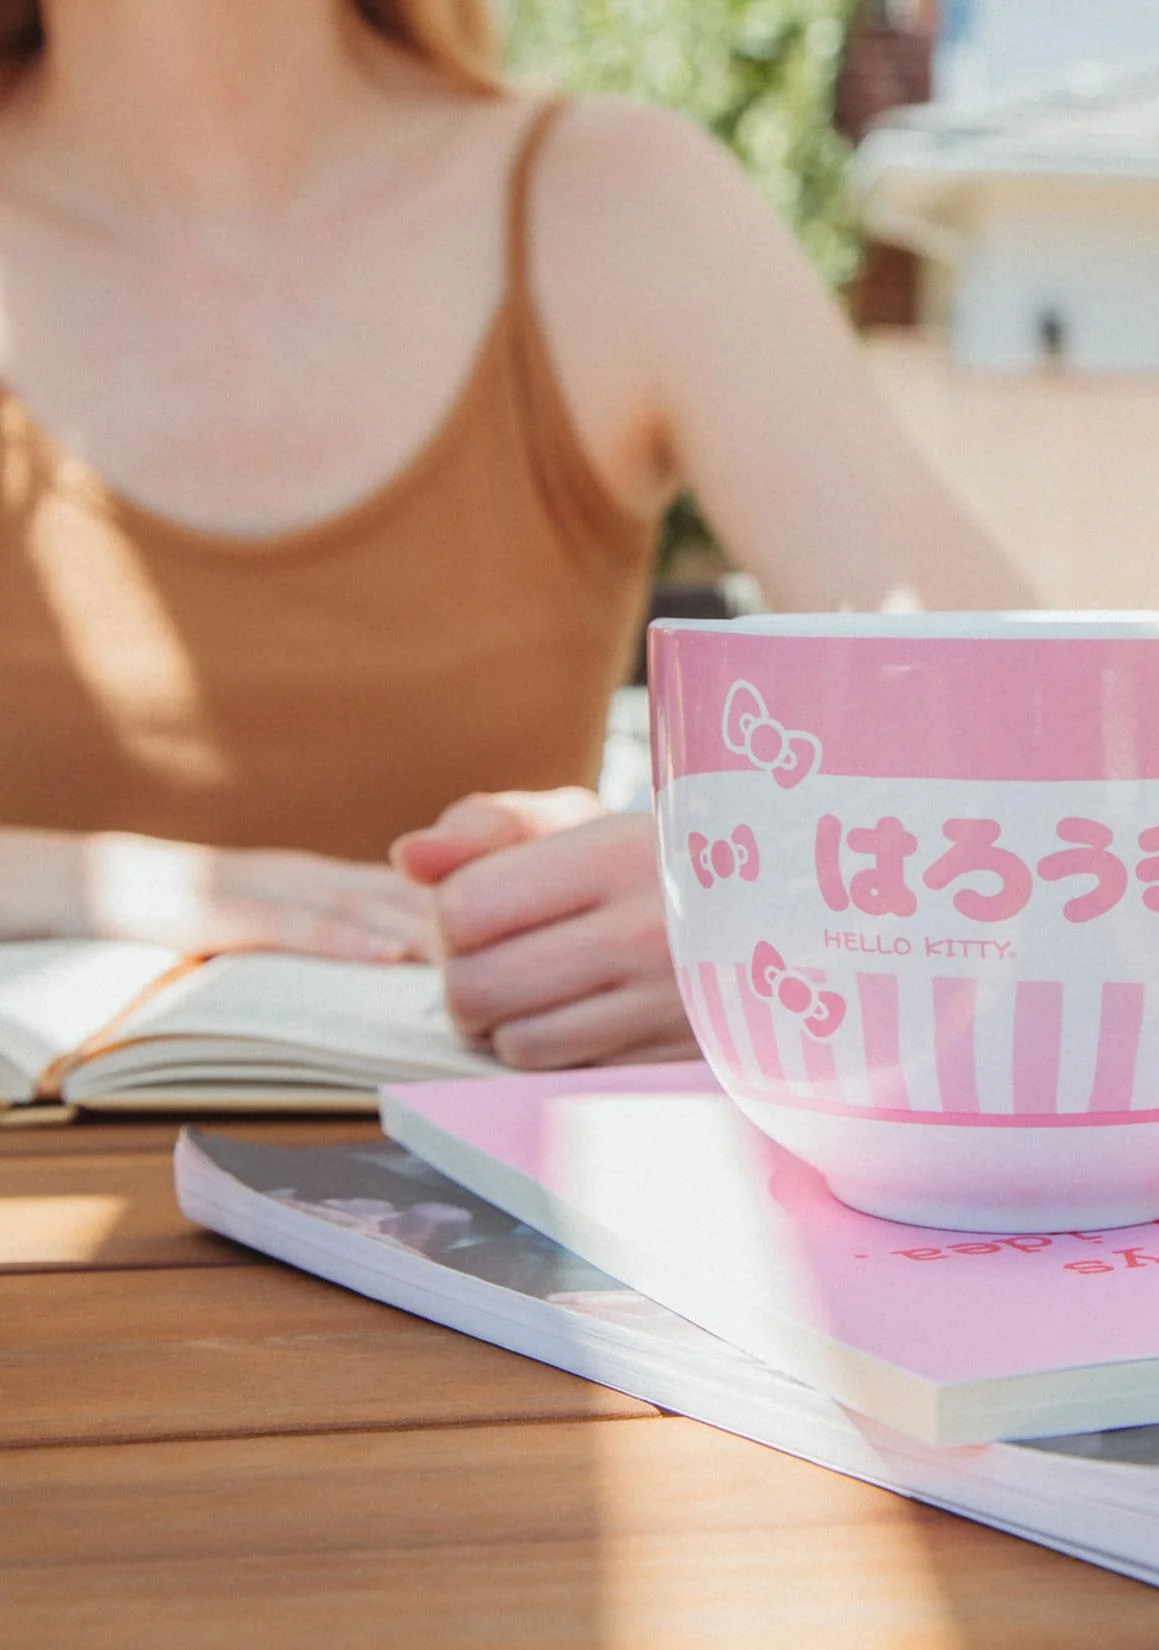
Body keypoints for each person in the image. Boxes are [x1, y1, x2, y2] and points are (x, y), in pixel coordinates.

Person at [0, 0, 1031, 1066]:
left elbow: (1047, 741)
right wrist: (105, 886)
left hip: (481, 1215)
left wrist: (755, 886)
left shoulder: (618, 207)